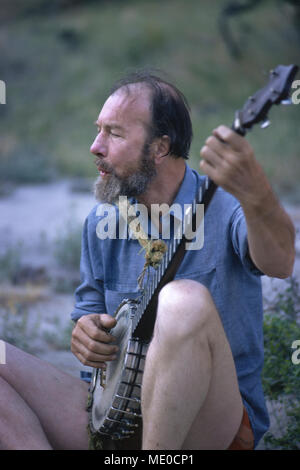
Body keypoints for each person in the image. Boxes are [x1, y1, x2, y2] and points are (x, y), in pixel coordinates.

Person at [0, 70, 295, 450]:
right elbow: (87, 318)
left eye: (115, 133)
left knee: (181, 301)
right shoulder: (102, 222)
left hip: (210, 426)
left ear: (159, 148)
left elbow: (281, 262)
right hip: (116, 420)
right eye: (98, 129)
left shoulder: (228, 210)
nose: (95, 146)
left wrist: (257, 193)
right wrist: (86, 334)